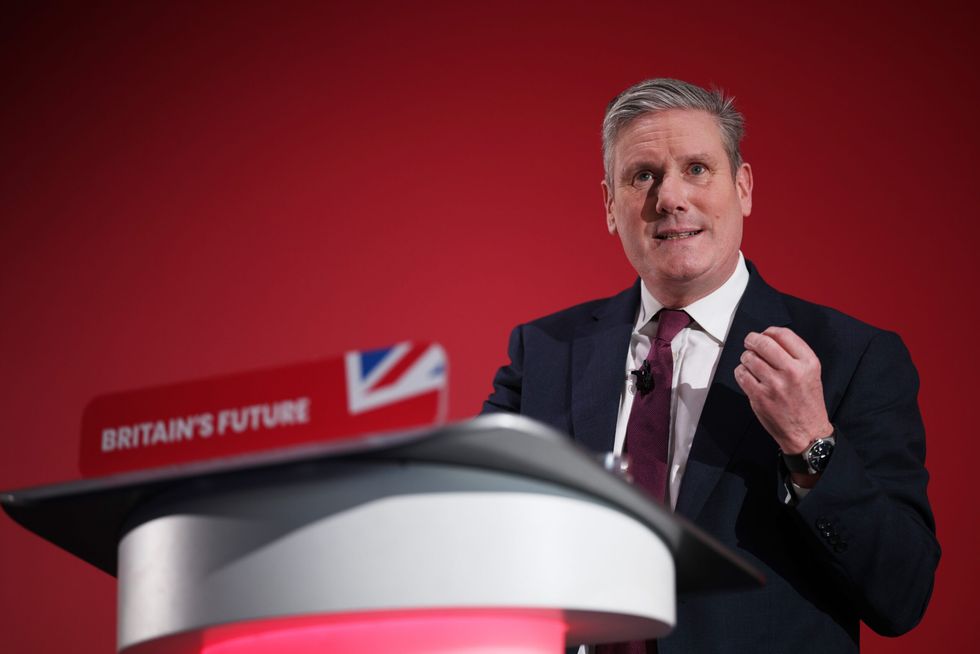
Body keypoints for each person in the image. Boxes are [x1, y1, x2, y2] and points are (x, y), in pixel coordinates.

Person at [482, 78, 939, 653]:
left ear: (743, 188)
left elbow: (903, 594)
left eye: (697, 168)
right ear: (608, 205)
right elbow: (482, 534)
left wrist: (811, 444)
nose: (670, 197)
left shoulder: (852, 356)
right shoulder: (545, 351)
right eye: (643, 175)